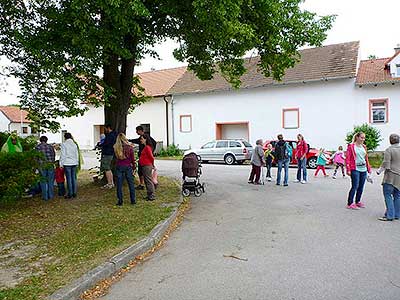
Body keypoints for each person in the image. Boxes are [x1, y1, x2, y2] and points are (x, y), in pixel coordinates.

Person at [376, 134, 400, 221]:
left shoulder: (389, 150)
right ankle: (397, 214)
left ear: (390, 141)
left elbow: (386, 163)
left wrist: (379, 171)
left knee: (388, 195)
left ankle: (389, 216)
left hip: (390, 176)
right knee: (397, 196)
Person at [346, 132, 371, 210]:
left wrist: (368, 168)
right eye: (361, 137)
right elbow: (348, 158)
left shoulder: (364, 146)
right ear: (357, 137)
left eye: (364, 138)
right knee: (355, 186)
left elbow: (366, 158)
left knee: (361, 186)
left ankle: (358, 201)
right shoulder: (351, 146)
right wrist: (348, 169)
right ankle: (350, 203)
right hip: (355, 168)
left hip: (363, 169)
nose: (363, 139)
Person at [129, 126, 157, 190]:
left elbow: (154, 143)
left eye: (137, 130)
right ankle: (142, 184)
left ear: (140, 130)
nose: (136, 132)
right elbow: (136, 140)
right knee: (140, 172)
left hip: (145, 160)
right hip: (142, 158)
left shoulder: (146, 137)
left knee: (147, 175)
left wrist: (151, 151)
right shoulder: (141, 138)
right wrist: (129, 140)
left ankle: (152, 187)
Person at [113, 133, 136, 206]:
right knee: (131, 184)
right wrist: (134, 166)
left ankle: (120, 201)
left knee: (119, 185)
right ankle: (133, 200)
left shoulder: (116, 147)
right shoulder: (129, 148)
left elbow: (116, 158)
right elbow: (132, 159)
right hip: (128, 166)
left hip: (119, 166)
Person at [35, 135, 56, 201]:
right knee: (50, 180)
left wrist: (36, 165)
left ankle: (45, 196)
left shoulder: (37, 147)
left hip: (41, 165)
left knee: (43, 180)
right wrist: (52, 162)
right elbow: (53, 156)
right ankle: (51, 195)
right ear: (46, 140)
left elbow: (35, 157)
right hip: (50, 165)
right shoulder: (50, 146)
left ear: (40, 140)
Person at [60, 132, 79, 199]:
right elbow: (77, 154)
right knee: (74, 178)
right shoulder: (74, 144)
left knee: (69, 179)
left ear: (65, 137)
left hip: (67, 163)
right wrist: (77, 162)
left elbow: (63, 155)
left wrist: (61, 164)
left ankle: (70, 194)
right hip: (74, 162)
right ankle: (74, 193)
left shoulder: (64, 144)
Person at [138, 134, 156, 201]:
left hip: (147, 165)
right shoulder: (145, 147)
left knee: (148, 180)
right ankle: (149, 194)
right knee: (146, 180)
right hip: (144, 165)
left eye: (142, 139)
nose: (141, 140)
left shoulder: (147, 147)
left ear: (145, 139)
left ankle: (151, 195)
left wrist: (152, 165)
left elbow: (151, 157)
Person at [100, 124, 117, 189]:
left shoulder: (110, 135)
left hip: (108, 153)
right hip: (110, 153)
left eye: (105, 128)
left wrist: (100, 144)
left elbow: (106, 143)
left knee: (107, 168)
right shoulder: (114, 134)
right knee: (108, 168)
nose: (105, 130)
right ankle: (111, 182)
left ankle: (110, 183)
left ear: (108, 128)